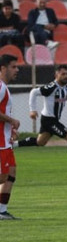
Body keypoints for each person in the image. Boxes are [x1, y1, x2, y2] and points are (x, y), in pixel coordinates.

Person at [16, 65, 67, 169]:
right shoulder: (51, 87)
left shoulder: (66, 89)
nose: (66, 76)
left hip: (52, 120)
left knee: (40, 142)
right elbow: (34, 92)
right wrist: (32, 110)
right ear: (56, 74)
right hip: (49, 120)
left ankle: (12, 144)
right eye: (63, 74)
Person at [0, 54, 21, 219]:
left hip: (5, 139)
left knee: (11, 172)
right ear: (3, 68)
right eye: (13, 67)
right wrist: (12, 120)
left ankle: (2, 211)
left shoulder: (4, 88)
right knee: (3, 177)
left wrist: (11, 128)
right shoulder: (0, 87)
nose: (17, 70)